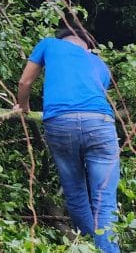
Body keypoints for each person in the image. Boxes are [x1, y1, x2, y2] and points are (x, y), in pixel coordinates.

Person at [14, 26, 120, 252]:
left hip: (60, 123)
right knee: (105, 201)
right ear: (88, 46)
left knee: (76, 194)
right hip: (100, 124)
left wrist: (23, 107)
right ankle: (105, 248)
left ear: (64, 38)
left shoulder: (49, 44)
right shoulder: (101, 66)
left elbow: (25, 82)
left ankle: (90, 246)